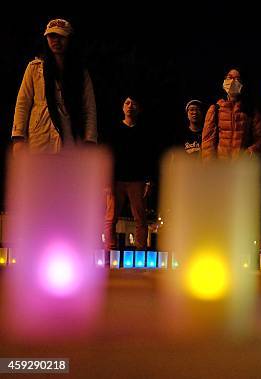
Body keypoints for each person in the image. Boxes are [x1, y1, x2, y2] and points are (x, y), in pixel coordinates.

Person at [12, 18, 97, 154]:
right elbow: (23, 103)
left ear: (69, 39)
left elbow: (89, 107)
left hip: (71, 140)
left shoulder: (80, 72)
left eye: (61, 36)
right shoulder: (35, 68)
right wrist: (18, 138)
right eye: (52, 36)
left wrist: (90, 140)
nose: (56, 40)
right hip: (40, 140)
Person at [103, 95, 152, 250]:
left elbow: (148, 156)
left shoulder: (144, 131)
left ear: (139, 108)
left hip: (137, 180)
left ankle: (140, 250)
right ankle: (109, 250)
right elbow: (108, 156)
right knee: (110, 217)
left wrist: (149, 180)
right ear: (123, 107)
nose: (130, 106)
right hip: (116, 180)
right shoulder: (114, 130)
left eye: (133, 103)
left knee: (140, 219)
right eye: (127, 102)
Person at [201, 68, 261, 160]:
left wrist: (249, 153)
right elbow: (207, 143)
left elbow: (260, 140)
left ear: (242, 84)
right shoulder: (215, 109)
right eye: (229, 77)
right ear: (224, 81)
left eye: (237, 79)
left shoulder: (251, 110)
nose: (232, 82)